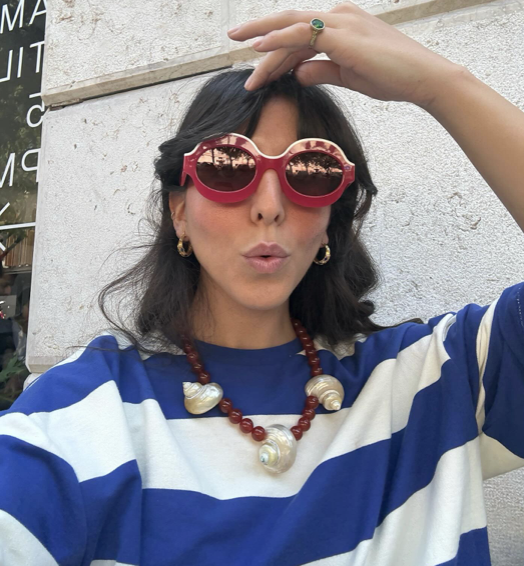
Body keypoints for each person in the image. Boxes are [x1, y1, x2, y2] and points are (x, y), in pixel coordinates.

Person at [1, 3, 524, 565]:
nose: (269, 206)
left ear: (330, 218)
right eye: (229, 167)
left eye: (310, 172)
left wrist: (441, 85)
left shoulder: (436, 381)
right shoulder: (81, 415)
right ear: (179, 211)